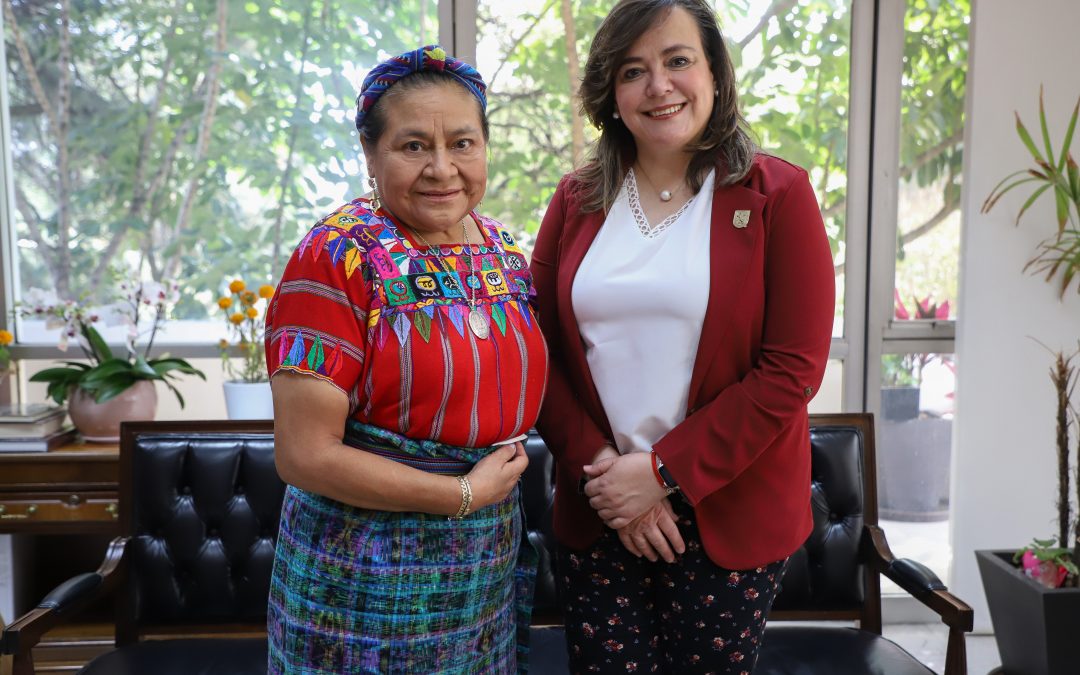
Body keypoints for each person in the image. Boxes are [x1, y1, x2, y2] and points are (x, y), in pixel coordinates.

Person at [532, 0, 835, 672]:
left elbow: (793, 369)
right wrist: (612, 478)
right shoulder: (574, 200)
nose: (658, 86)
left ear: (715, 74)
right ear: (611, 95)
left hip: (729, 507)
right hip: (600, 500)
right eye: (633, 71)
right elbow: (538, 350)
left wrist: (663, 472)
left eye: (677, 61)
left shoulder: (779, 194)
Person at [264, 45, 548, 674]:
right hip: (361, 574)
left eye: (463, 144)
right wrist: (461, 493)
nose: (442, 168)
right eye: (414, 146)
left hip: (481, 568)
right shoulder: (337, 256)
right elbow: (304, 453)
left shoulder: (501, 247)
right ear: (371, 153)